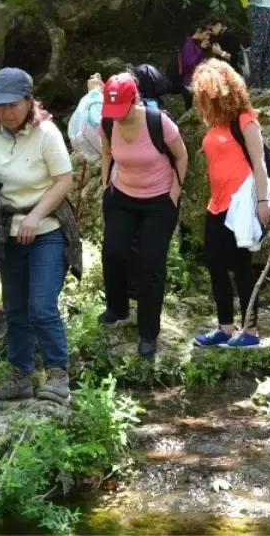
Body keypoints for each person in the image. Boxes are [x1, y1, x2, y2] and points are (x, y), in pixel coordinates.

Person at [0, 68, 74, 405]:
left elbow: (64, 180)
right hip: (8, 230)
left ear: (29, 100)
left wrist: (34, 216)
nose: (7, 112)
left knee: (41, 306)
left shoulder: (47, 133)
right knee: (15, 307)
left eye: (13, 104)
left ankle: (58, 376)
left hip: (46, 228)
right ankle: (20, 376)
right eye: (0, 105)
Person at [99, 72, 189, 358]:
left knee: (150, 265)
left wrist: (175, 192)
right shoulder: (108, 121)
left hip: (159, 200)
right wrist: (105, 183)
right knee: (114, 252)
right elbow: (106, 151)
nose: (117, 116)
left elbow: (182, 155)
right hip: (122, 196)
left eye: (122, 109)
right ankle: (117, 307)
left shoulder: (158, 122)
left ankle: (148, 333)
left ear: (135, 100)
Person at [191, 60, 270, 349]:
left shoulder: (245, 120)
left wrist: (263, 202)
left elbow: (260, 164)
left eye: (208, 98)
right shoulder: (215, 123)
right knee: (214, 263)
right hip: (216, 205)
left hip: (240, 205)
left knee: (241, 267)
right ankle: (225, 326)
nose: (204, 103)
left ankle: (250, 331)